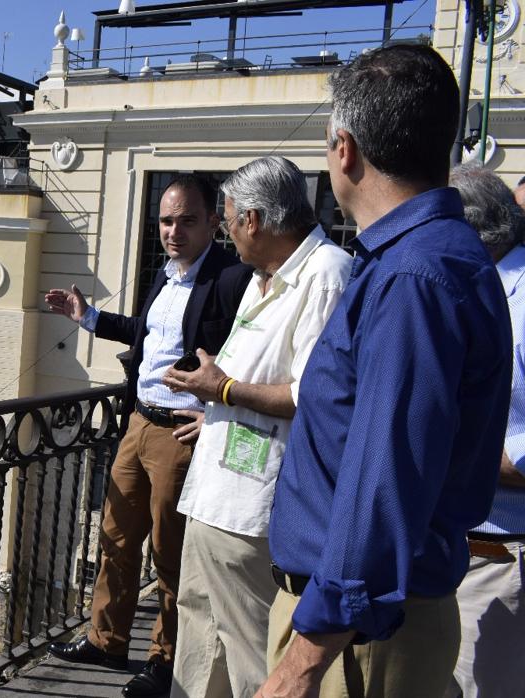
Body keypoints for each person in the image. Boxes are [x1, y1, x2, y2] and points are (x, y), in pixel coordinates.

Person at [257, 44, 512, 698]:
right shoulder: (429, 261)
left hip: (357, 640)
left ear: (344, 149)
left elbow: (385, 482)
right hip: (361, 627)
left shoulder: (413, 279)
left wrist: (302, 660)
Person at [45, 174, 252, 697]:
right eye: (165, 220)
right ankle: (106, 639)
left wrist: (221, 409)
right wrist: (87, 317)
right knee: (115, 537)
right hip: (139, 422)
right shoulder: (167, 274)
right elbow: (149, 335)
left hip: (181, 433)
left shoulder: (231, 279)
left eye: (186, 220)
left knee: (170, 550)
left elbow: (250, 351)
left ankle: (166, 661)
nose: (173, 230)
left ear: (212, 222)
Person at [161, 157, 351, 698]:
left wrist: (220, 392)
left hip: (253, 515)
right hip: (214, 496)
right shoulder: (264, 276)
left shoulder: (327, 274)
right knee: (199, 643)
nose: (223, 232)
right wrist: (217, 412)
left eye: (224, 219)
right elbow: (257, 379)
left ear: (253, 220)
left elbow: (313, 395)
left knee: (251, 658)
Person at [446, 164, 525, 698]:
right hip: (443, 555)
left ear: (467, 228)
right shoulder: (472, 287)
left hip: (499, 559)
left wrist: (464, 454)